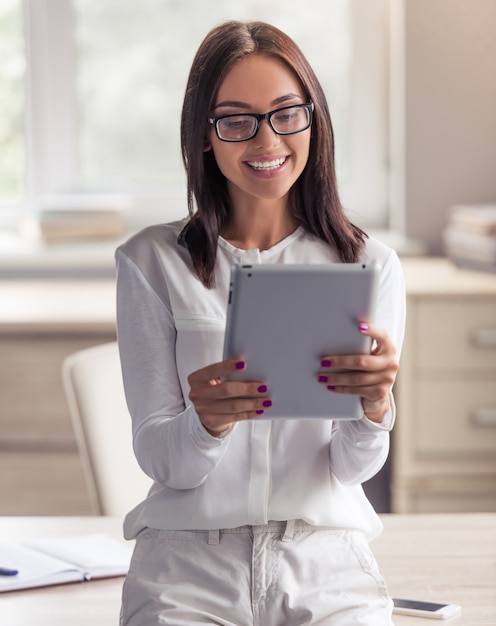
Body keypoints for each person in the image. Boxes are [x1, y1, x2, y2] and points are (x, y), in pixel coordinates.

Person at [116, 20, 405, 626]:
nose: (266, 139)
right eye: (236, 120)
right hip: (187, 560)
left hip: (323, 554)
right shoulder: (151, 262)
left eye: (285, 113)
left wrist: (375, 411)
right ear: (204, 135)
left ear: (313, 120)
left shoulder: (369, 265)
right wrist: (204, 427)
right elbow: (164, 461)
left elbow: (352, 468)